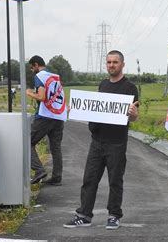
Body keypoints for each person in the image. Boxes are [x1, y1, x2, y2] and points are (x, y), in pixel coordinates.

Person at [63, 50, 139, 230]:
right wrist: (75, 109)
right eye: (109, 62)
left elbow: (133, 117)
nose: (111, 65)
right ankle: (84, 215)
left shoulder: (130, 88)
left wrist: (134, 115)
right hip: (97, 141)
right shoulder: (103, 84)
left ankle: (113, 215)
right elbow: (95, 108)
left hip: (117, 142)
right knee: (89, 179)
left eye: (115, 62)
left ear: (122, 64)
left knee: (115, 181)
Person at [26, 55, 66, 186]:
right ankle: (57, 177)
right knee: (56, 148)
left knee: (27, 142)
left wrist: (29, 93)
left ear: (36, 65)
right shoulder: (55, 77)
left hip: (45, 116)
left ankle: (38, 170)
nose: (32, 70)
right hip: (58, 116)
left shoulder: (39, 77)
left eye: (32, 68)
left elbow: (42, 97)